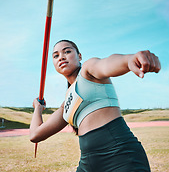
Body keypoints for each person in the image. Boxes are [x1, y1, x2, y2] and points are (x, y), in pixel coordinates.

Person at [30, 39, 161, 171]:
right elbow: (35, 135)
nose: (61, 57)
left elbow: (106, 63)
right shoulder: (67, 104)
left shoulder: (88, 70)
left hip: (120, 157)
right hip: (88, 164)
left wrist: (129, 59)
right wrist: (38, 109)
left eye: (67, 51)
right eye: (56, 55)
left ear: (79, 56)